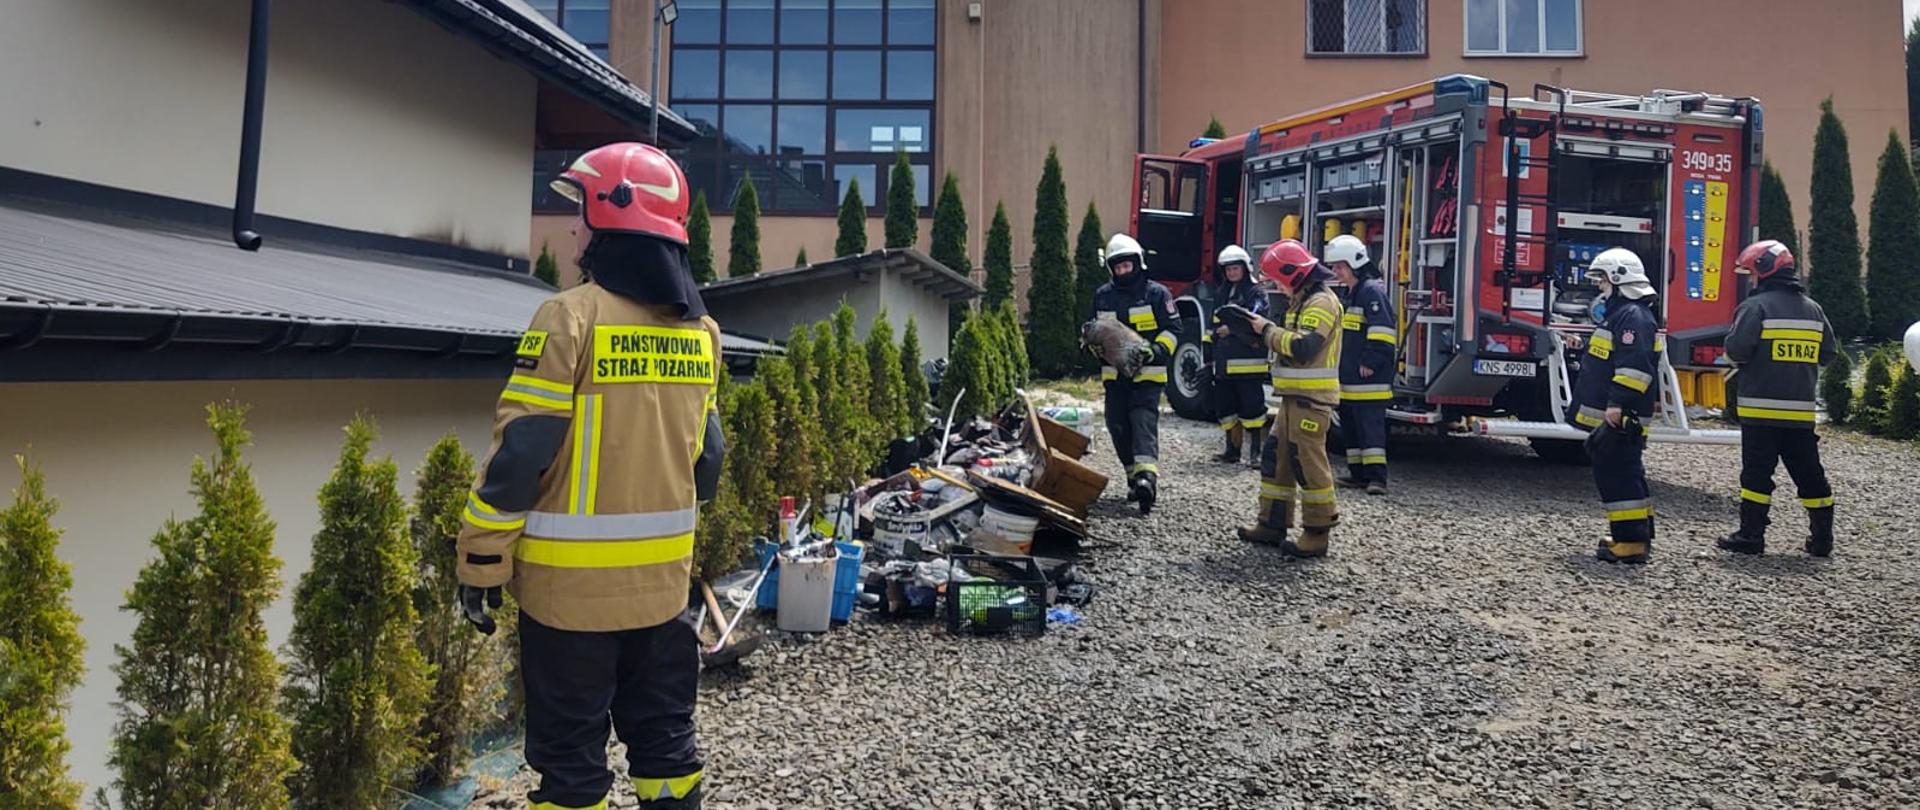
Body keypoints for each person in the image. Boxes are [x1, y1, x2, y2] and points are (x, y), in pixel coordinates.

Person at [457, 143, 723, 810]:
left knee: (572, 767)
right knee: (666, 748)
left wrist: (480, 562)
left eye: (581, 211)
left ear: (611, 218)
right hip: (664, 598)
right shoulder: (702, 333)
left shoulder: (569, 318)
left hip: (568, 602)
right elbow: (708, 460)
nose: (574, 228)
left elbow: (521, 454)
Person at [1717, 240, 1838, 557]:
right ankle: (1822, 540)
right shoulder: (1814, 310)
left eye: (1751, 274)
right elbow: (1828, 354)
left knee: (1756, 476)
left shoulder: (1755, 308)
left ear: (1764, 271)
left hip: (1760, 413)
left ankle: (1751, 537)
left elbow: (1737, 350)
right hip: (1800, 414)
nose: (1751, 280)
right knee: (1810, 475)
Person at [1237, 240, 1341, 558]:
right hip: (1294, 398)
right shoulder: (1303, 301)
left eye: (1279, 281)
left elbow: (1304, 347)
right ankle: (1272, 523)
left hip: (1311, 400)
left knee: (1307, 463)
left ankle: (1317, 532)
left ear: (1293, 274)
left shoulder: (1321, 303)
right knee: (1277, 457)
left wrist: (1267, 331)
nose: (1278, 288)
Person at [1567, 247, 1661, 564]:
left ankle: (1631, 542)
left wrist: (1618, 404)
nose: (1599, 285)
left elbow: (1636, 368)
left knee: (1617, 473)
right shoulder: (1624, 315)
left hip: (1624, 413)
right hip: (1622, 411)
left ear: (1618, 278)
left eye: (1602, 278)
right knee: (1625, 469)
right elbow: (1613, 358)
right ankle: (1636, 534)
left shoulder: (1632, 316)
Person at [1090, 233, 1181, 515]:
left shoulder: (1157, 294)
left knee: (1142, 424)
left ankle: (1147, 480)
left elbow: (1174, 330)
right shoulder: (1103, 295)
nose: (1123, 271)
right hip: (1115, 378)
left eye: (1127, 266)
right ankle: (1132, 476)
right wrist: (1091, 345)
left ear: (1138, 263)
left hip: (1147, 377)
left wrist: (1155, 350)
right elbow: (1096, 331)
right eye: (1118, 268)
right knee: (1117, 425)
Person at [1323, 234, 1396, 495]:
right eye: (1334, 268)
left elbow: (1383, 332)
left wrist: (1371, 361)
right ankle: (1357, 474)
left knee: (1371, 432)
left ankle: (1377, 479)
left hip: (1369, 379)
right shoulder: (1351, 294)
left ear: (1354, 264)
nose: (1336, 272)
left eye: (1339, 267)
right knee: (1352, 430)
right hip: (1350, 379)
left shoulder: (1371, 292)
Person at [1205, 244, 1270, 466]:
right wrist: (1208, 356)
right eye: (1228, 269)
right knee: (1226, 409)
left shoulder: (1256, 292)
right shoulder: (1221, 293)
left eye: (1235, 268)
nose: (1232, 273)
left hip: (1248, 364)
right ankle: (1232, 450)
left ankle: (1256, 453)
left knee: (1253, 409)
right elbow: (1212, 326)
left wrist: (1231, 330)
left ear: (1245, 268)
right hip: (1224, 364)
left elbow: (1255, 319)